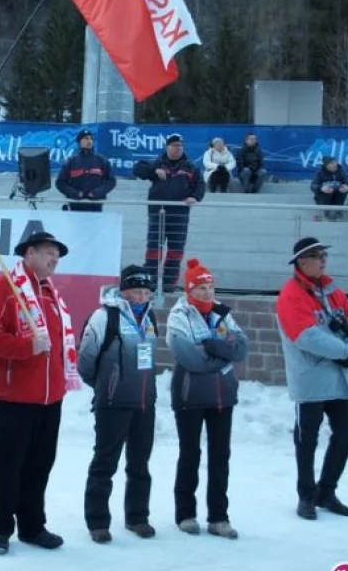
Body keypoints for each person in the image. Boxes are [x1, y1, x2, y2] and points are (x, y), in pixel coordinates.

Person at [0, 231, 82, 555]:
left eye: (57, 255)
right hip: (12, 397)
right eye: (49, 253)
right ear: (30, 253)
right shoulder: (3, 288)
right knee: (8, 466)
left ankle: (33, 526)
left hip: (50, 398)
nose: (55, 260)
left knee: (39, 464)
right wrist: (26, 347)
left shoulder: (51, 293)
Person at [276, 237, 348, 521]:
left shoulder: (330, 288)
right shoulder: (291, 294)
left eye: (324, 255)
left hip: (337, 378)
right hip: (312, 379)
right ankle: (306, 494)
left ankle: (326, 490)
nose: (323, 260)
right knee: (307, 438)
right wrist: (344, 352)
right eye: (317, 256)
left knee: (346, 431)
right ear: (302, 262)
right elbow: (305, 335)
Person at [167, 259, 248, 540]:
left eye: (210, 287)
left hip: (223, 395)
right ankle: (185, 514)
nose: (207, 292)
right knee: (190, 454)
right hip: (190, 394)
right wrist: (222, 356)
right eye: (201, 288)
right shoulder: (179, 315)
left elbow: (241, 348)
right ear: (189, 290)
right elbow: (189, 357)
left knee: (220, 456)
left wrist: (212, 346)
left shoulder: (221, 312)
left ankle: (218, 517)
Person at [79, 265, 160, 544]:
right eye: (136, 291)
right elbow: (86, 359)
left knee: (140, 464)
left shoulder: (150, 318)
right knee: (105, 462)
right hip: (113, 402)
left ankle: (137, 517)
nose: (141, 297)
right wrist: (105, 385)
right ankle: (98, 521)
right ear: (124, 291)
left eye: (146, 292)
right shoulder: (104, 317)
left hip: (144, 403)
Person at [133, 133, 205, 294]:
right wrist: (154, 171)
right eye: (174, 145)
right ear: (167, 147)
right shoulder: (157, 162)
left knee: (176, 250)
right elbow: (137, 169)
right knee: (153, 249)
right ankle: (150, 281)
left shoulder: (190, 167)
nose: (178, 148)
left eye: (180, 146)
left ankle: (169, 284)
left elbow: (200, 185)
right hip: (157, 212)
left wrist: (194, 197)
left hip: (179, 214)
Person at [55, 129, 116, 212]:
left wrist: (96, 192)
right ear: (79, 142)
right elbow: (60, 183)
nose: (89, 141)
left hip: (96, 206)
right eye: (86, 138)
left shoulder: (101, 160)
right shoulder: (71, 161)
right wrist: (75, 193)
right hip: (75, 206)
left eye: (91, 139)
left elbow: (111, 181)